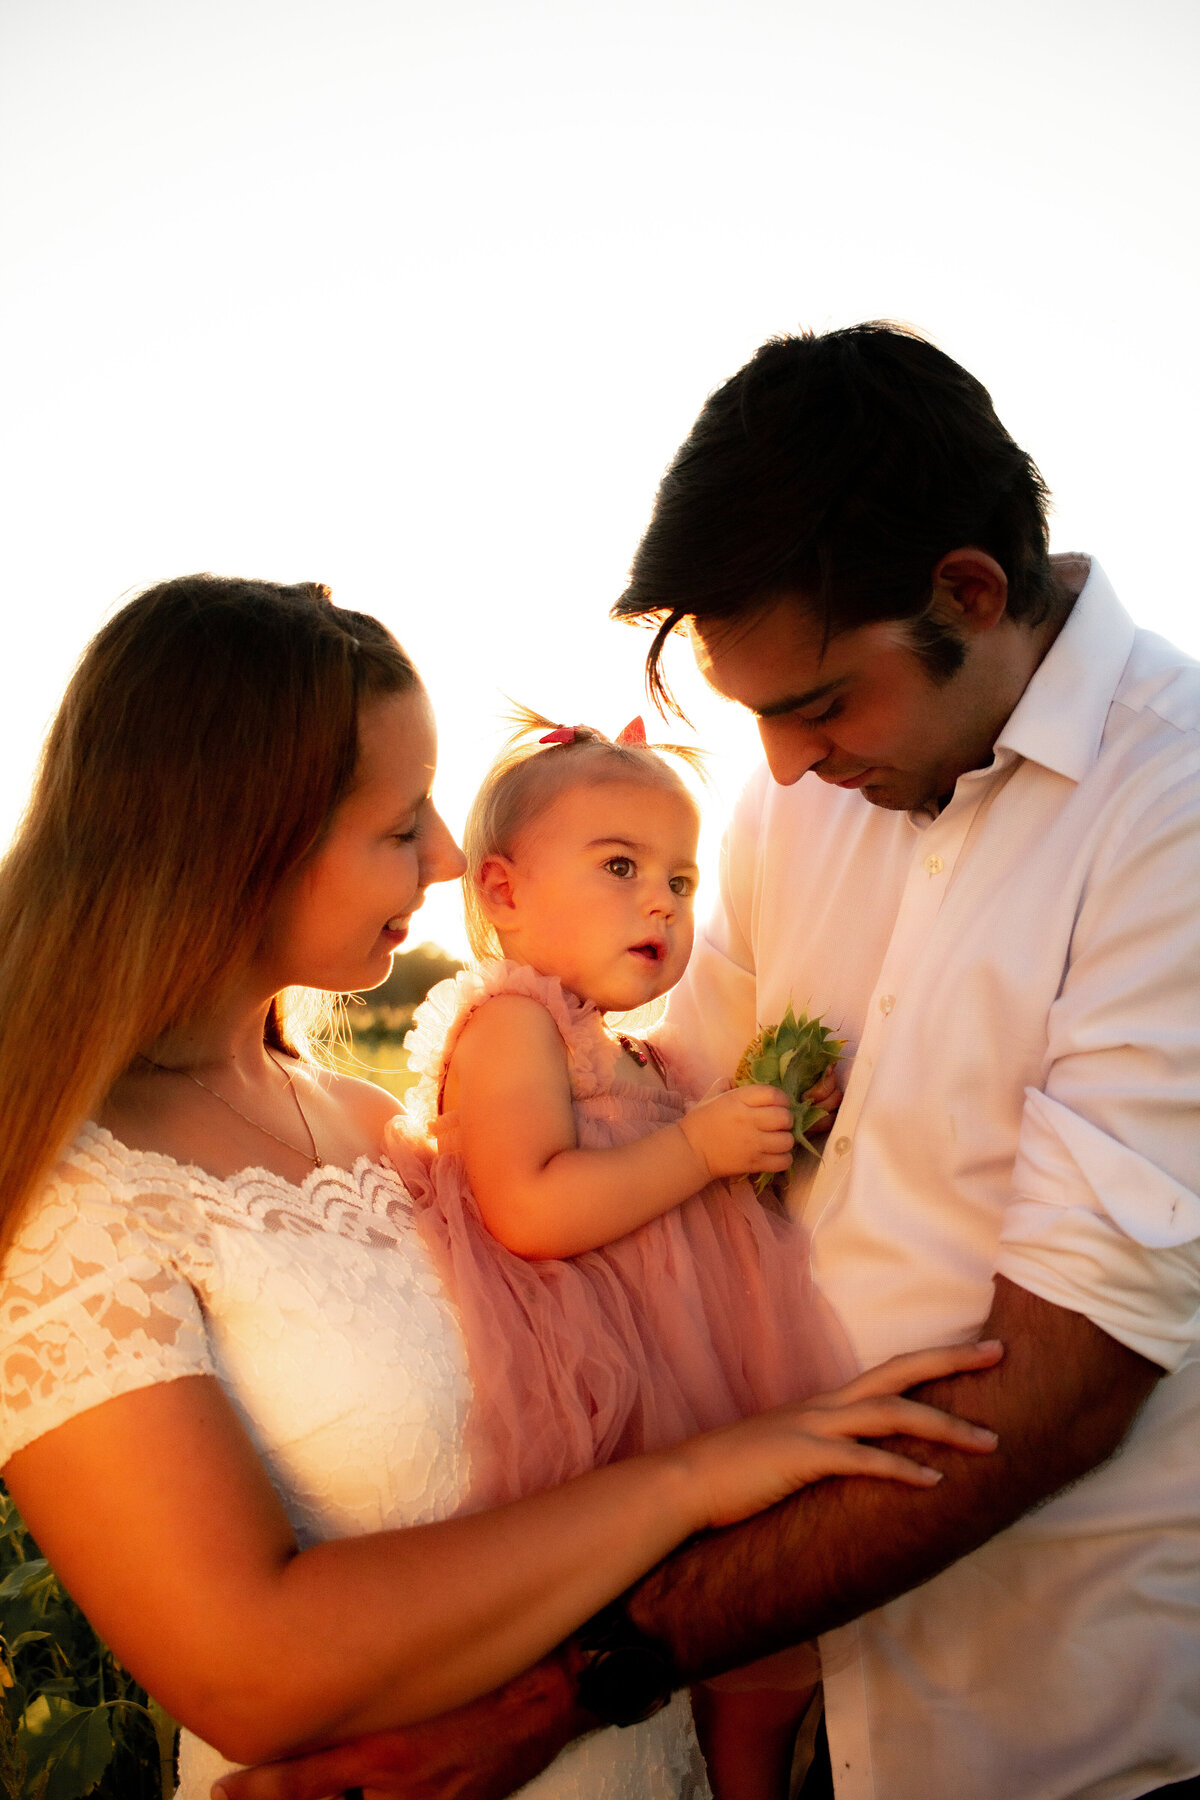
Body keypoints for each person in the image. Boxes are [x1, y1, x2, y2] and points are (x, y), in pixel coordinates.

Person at [217, 324, 1200, 1800]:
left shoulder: (1171, 811)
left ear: (970, 592)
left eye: (816, 707)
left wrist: (568, 1682)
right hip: (787, 1705)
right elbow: (652, 1102)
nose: (790, 768)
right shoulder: (791, 805)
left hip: (1052, 1714)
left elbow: (1059, 1385)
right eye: (755, 720)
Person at [0, 572, 1004, 1800]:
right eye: (399, 821)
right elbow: (247, 1670)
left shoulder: (382, 1123)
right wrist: (694, 1478)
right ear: (238, 835)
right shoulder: (67, 1193)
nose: (446, 858)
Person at [388, 707, 848, 1798]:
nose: (660, 901)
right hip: (616, 1395)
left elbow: (677, 1200)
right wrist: (697, 1146)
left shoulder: (632, 1051)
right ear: (502, 891)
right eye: (621, 868)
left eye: (682, 882)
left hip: (705, 1377)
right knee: (673, 1612)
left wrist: (762, 1131)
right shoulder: (511, 1026)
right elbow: (532, 1208)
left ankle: (752, 1774)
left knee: (760, 1634)